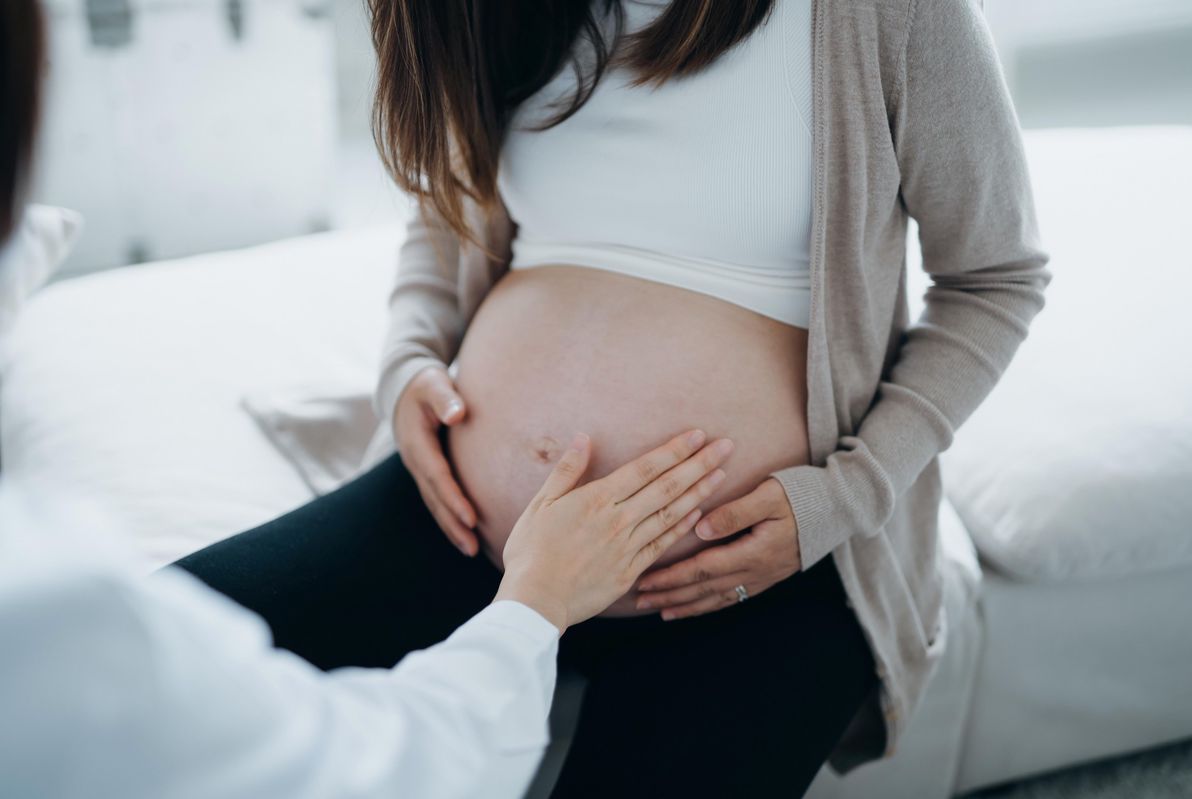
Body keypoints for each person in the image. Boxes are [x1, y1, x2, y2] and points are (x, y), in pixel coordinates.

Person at [172, 0, 1051, 796]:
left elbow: (996, 280)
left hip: (753, 574)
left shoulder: (890, 14)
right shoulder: (488, 12)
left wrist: (846, 495)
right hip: (465, 527)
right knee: (151, 661)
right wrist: (408, 357)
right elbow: (447, 203)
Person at [0, 3, 734, 797]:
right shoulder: (60, 615)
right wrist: (536, 597)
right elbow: (387, 768)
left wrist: (821, 503)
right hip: (453, 517)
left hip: (726, 574)